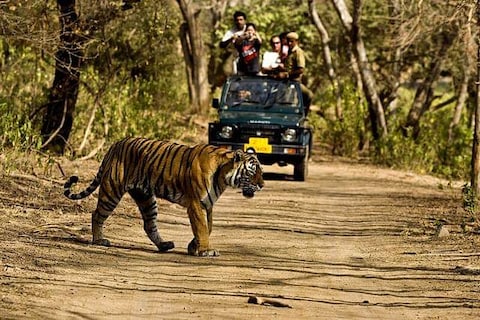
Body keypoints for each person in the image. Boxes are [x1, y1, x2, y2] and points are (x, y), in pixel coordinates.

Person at [277, 31, 313, 114]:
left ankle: (304, 115)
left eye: (291, 41)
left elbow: (301, 70)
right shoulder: (289, 52)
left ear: (297, 41)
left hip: (295, 82)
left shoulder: (298, 52)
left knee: (309, 95)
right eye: (288, 41)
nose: (289, 43)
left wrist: (287, 74)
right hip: (286, 82)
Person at [219, 11, 247, 75]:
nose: (239, 22)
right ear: (234, 21)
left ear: (244, 20)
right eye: (237, 20)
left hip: (249, 58)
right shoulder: (231, 32)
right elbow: (222, 44)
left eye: (241, 20)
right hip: (236, 58)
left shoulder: (248, 29)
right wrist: (231, 38)